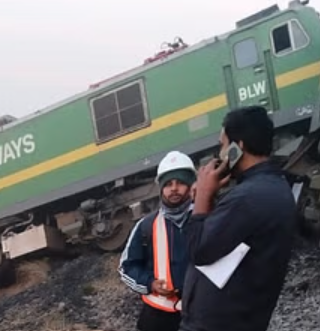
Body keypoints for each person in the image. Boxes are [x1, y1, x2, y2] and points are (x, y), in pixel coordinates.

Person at [178, 105, 296, 331]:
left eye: (223, 145)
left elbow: (199, 250)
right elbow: (223, 237)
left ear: (238, 146)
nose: (220, 153)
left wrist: (202, 196)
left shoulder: (247, 197)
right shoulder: (270, 187)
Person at [118, 150, 197, 331]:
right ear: (161, 188)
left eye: (180, 182)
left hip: (202, 312)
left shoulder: (209, 218)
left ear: (192, 185)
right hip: (158, 317)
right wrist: (150, 283)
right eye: (168, 183)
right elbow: (126, 267)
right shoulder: (146, 226)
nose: (174, 188)